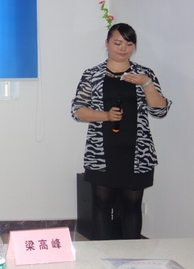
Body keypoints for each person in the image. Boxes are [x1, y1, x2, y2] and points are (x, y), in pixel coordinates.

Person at [71, 23, 171, 240]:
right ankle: (100, 253)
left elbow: (160, 110)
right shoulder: (92, 74)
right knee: (101, 204)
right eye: (117, 43)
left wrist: (147, 84)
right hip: (101, 152)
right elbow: (78, 111)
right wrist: (105, 116)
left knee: (132, 205)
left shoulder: (144, 74)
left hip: (137, 152)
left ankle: (132, 256)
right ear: (107, 43)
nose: (123, 48)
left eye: (129, 43)